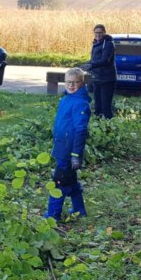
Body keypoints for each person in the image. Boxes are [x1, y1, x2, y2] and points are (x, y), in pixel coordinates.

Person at [45, 67, 90, 222]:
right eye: (68, 82)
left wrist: (76, 154)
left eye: (75, 82)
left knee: (59, 180)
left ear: (82, 83)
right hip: (61, 145)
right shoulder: (66, 99)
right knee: (71, 180)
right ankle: (79, 209)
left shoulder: (81, 103)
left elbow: (80, 130)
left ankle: (53, 215)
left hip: (69, 150)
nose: (71, 85)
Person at [86, 24, 116, 118]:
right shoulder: (95, 43)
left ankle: (109, 124)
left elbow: (105, 60)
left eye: (100, 32)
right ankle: (98, 123)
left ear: (104, 32)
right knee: (97, 106)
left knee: (105, 106)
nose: (98, 34)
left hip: (107, 79)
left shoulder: (108, 44)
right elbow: (94, 59)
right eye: (96, 32)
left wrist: (91, 65)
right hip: (97, 78)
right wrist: (86, 64)